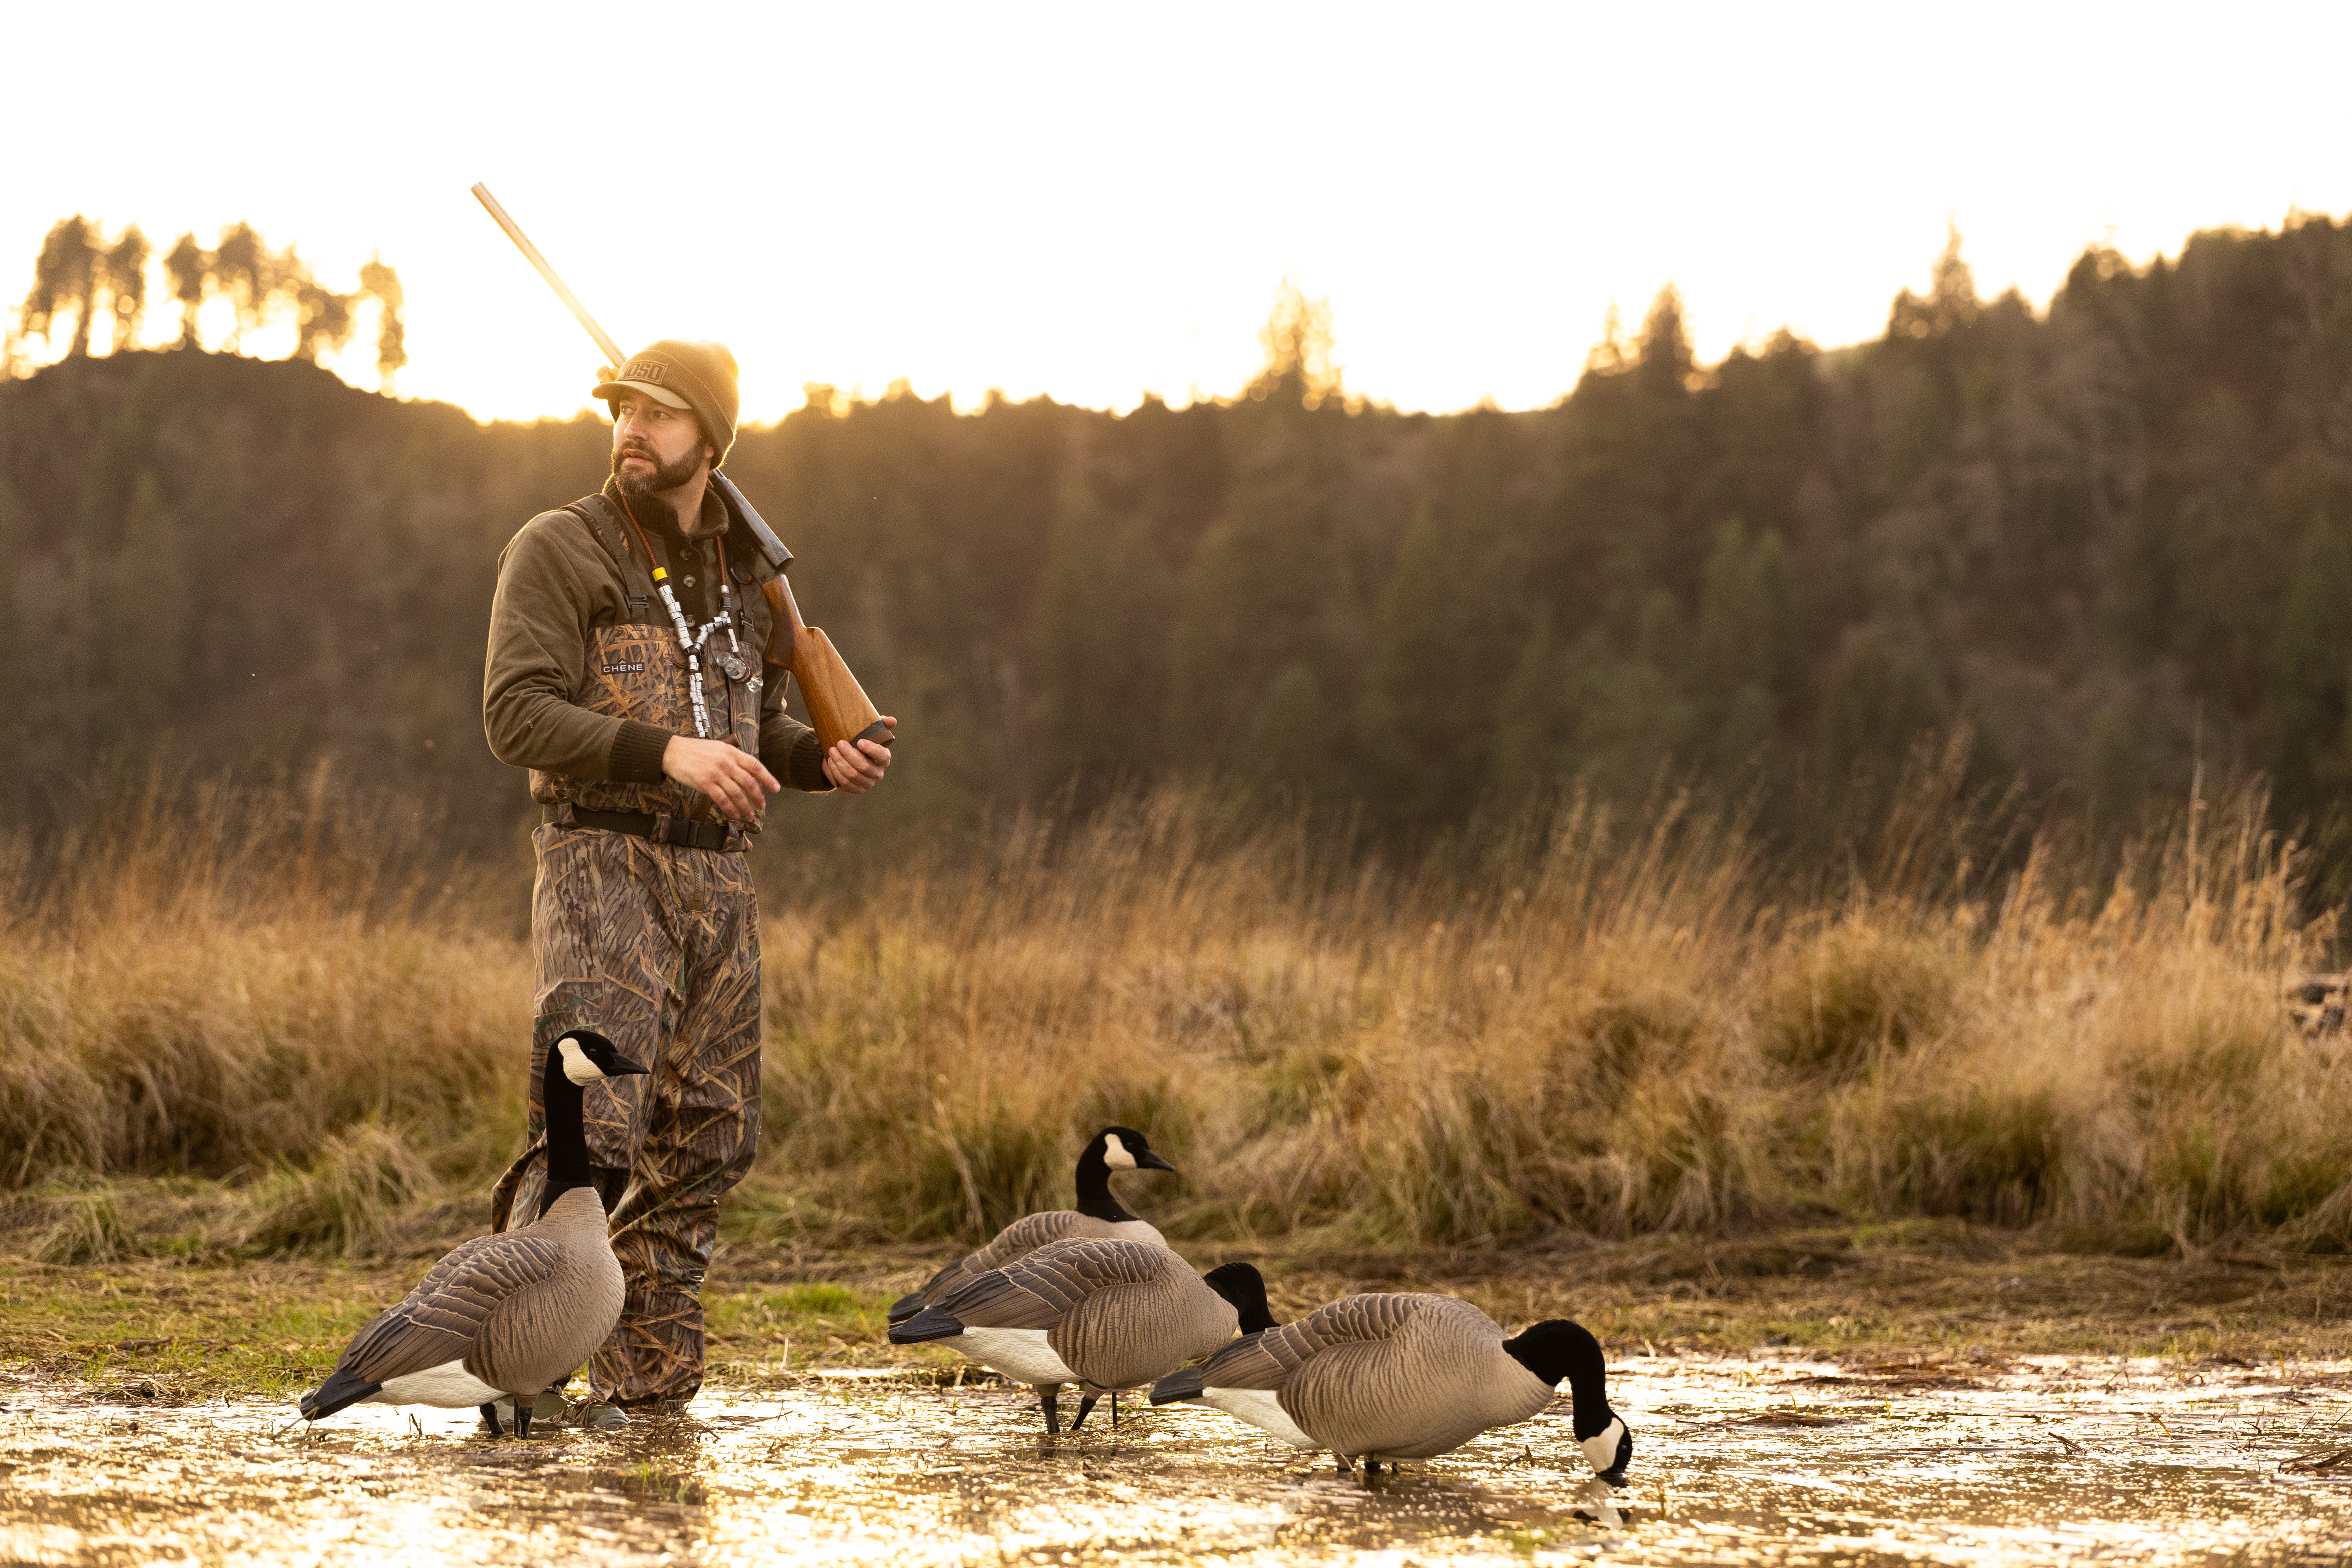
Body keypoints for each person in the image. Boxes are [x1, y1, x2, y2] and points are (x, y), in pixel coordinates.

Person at [480, 339, 892, 1424]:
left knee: (710, 1134)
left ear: (710, 442)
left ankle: (647, 1407)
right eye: (624, 408)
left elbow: (750, 733)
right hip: (600, 858)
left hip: (721, 883)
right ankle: (517, 1385)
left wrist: (816, 760)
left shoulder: (746, 581)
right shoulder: (560, 548)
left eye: (662, 415)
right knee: (590, 1134)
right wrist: (664, 751)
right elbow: (514, 713)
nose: (633, 429)